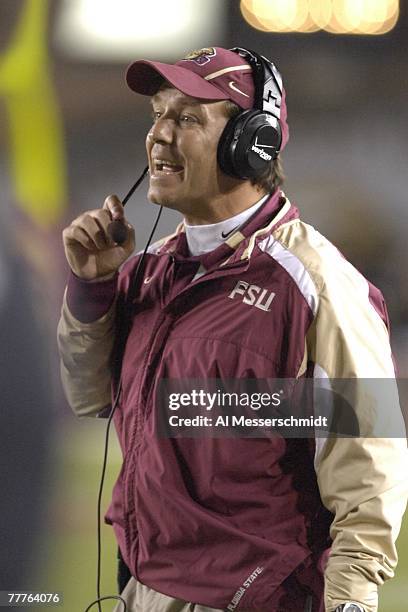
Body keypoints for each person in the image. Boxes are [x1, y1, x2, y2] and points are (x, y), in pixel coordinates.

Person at [57, 47, 407, 612]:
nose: (160, 136)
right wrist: (94, 288)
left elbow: (370, 477)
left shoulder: (318, 286)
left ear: (252, 143)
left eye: (187, 118)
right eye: (157, 115)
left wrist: (351, 602)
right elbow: (89, 396)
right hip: (142, 592)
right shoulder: (152, 270)